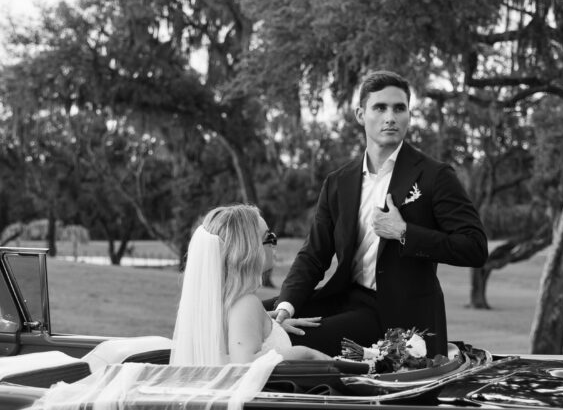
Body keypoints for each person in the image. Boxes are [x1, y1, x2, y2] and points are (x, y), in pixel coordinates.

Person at [272, 70, 488, 357]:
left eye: (399, 108)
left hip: (397, 317)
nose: (391, 117)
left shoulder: (435, 176)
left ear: (409, 115)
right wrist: (286, 307)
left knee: (288, 343)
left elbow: (475, 247)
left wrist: (404, 233)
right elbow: (314, 255)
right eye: (380, 107)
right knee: (255, 321)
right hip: (345, 298)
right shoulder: (339, 182)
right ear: (361, 114)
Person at [171, 205, 330, 365]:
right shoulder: (246, 303)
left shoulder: (211, 303)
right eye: (269, 238)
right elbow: (245, 365)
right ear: (247, 250)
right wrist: (304, 353)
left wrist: (267, 325)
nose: (274, 244)